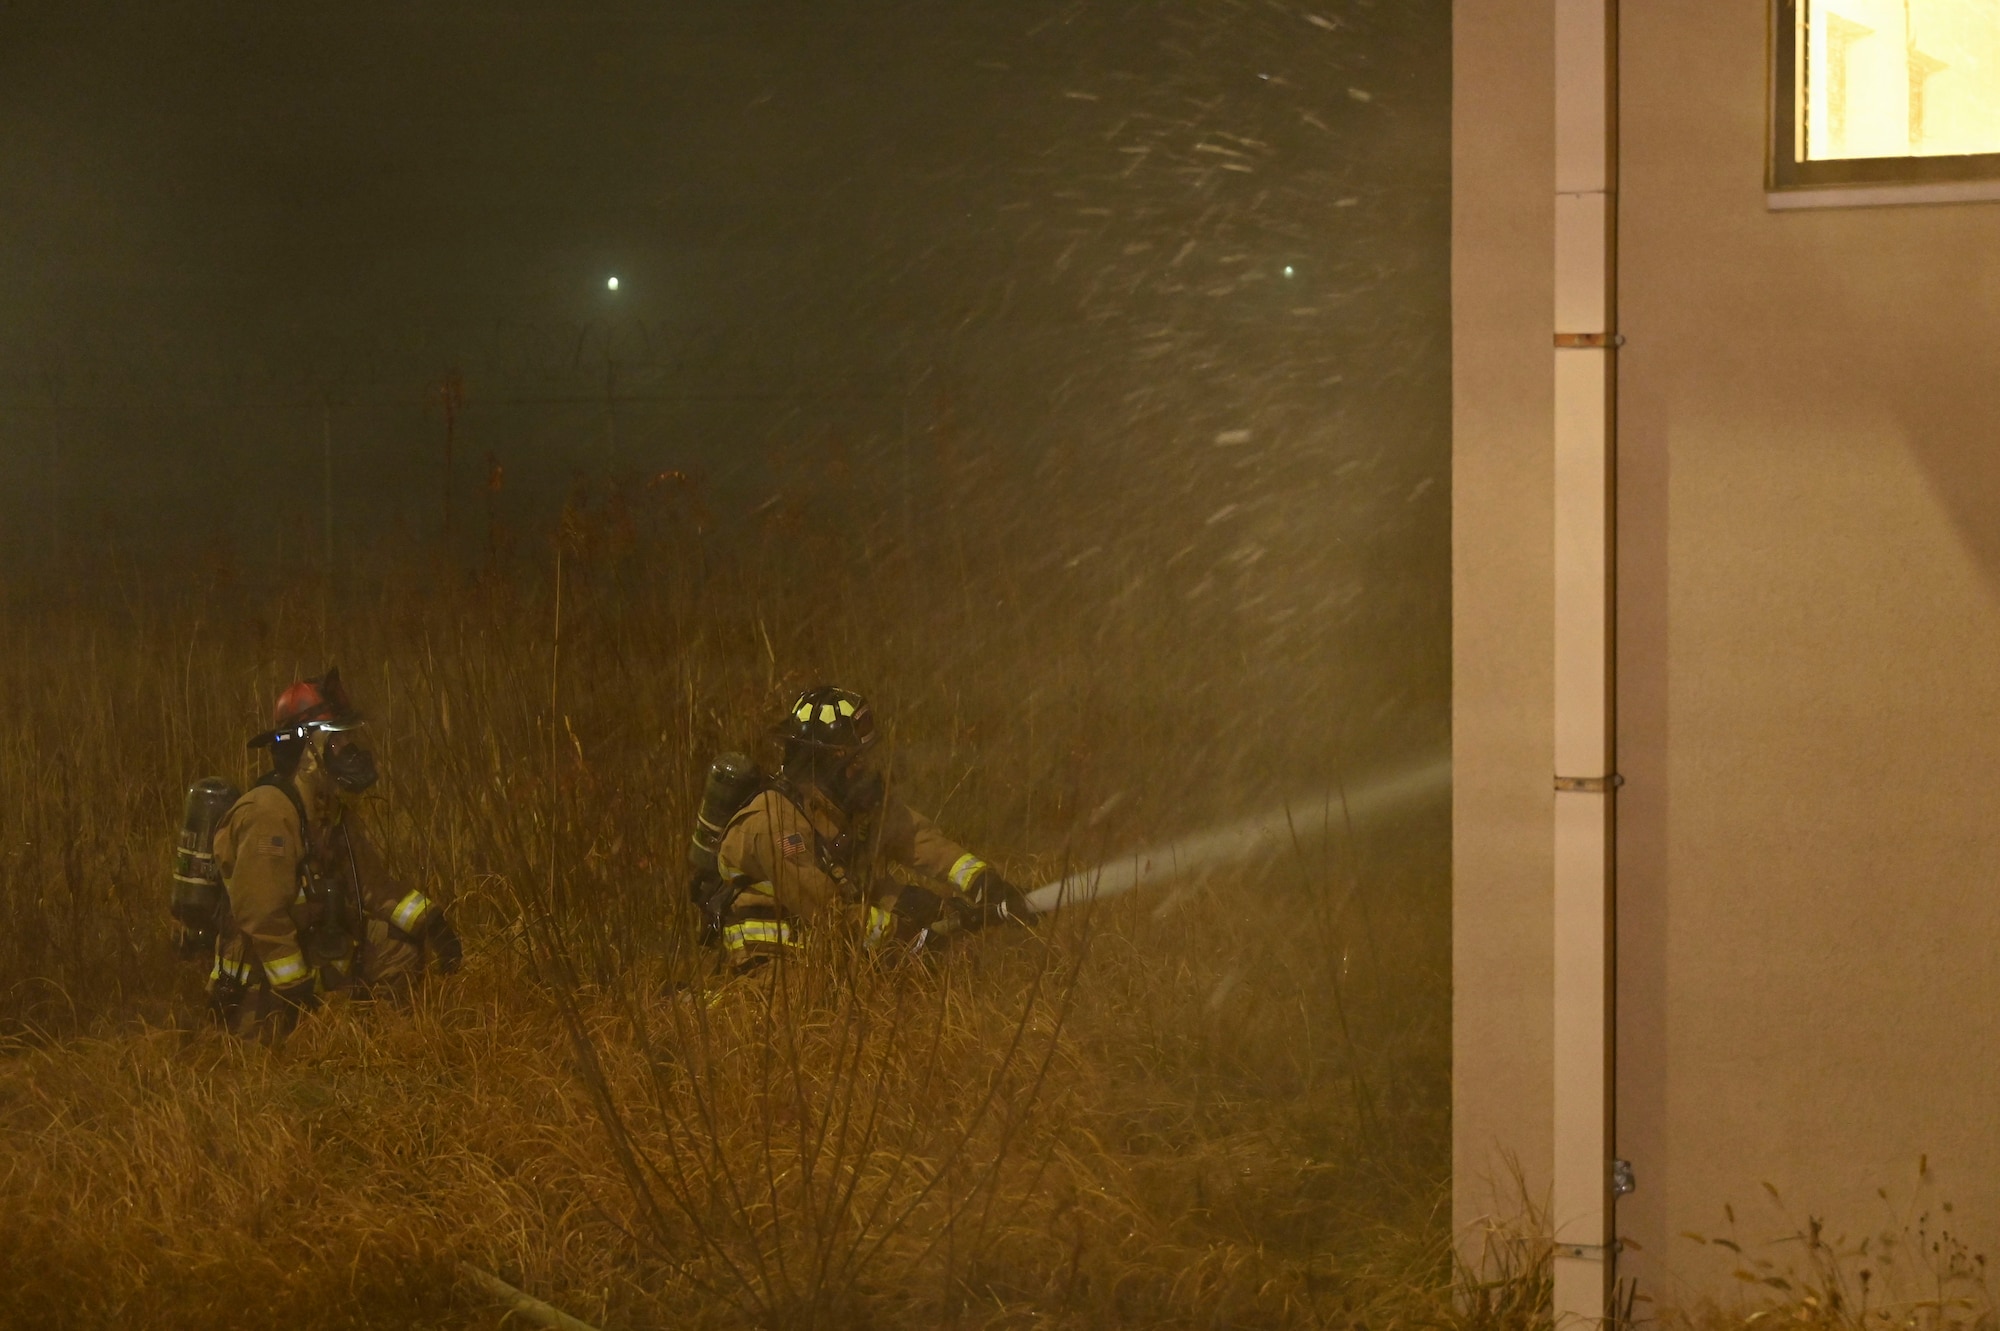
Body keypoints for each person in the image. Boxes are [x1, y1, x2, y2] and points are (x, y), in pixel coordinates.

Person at [208, 668, 461, 1042]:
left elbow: (372, 886)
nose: (349, 749)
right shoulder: (268, 813)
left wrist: (432, 923)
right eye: (339, 739)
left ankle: (386, 1043)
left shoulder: (329, 811)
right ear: (308, 747)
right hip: (260, 976)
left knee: (396, 946)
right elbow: (261, 917)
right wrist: (296, 991)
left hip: (307, 948)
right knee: (276, 1058)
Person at [711, 685, 1037, 972]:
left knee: (921, 904)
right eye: (853, 759)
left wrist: (983, 883)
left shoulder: (844, 804)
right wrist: (915, 935)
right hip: (770, 972)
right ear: (823, 762)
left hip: (822, 954)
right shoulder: (775, 822)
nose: (862, 767)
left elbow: (917, 838)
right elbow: (829, 915)